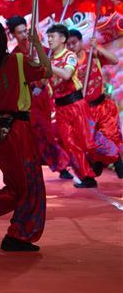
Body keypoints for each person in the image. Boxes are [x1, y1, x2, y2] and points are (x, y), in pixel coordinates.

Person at [0, 19, 52, 252]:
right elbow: (46, 71)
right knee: (29, 184)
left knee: (17, 183)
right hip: (18, 130)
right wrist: (38, 46)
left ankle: (6, 225)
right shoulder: (16, 60)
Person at [7, 16, 71, 178]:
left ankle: (60, 165)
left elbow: (50, 69)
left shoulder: (40, 49)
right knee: (31, 134)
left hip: (42, 97)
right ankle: (36, 167)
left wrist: (40, 84)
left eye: (25, 31)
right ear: (14, 35)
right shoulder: (14, 55)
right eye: (19, 32)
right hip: (25, 99)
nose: (23, 35)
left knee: (45, 131)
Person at [46, 23, 107, 188]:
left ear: (63, 39)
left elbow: (66, 75)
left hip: (76, 105)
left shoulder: (69, 56)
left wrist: (48, 66)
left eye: (52, 36)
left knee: (87, 142)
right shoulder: (49, 60)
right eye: (48, 36)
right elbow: (45, 84)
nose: (49, 40)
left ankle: (108, 157)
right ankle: (87, 176)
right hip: (60, 108)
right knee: (70, 144)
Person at [67, 29, 122, 177]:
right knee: (90, 141)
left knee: (111, 135)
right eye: (69, 44)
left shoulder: (92, 55)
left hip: (103, 106)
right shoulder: (68, 64)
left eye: (74, 42)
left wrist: (97, 46)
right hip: (84, 110)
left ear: (80, 42)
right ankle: (98, 161)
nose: (72, 46)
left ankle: (118, 163)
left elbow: (115, 60)